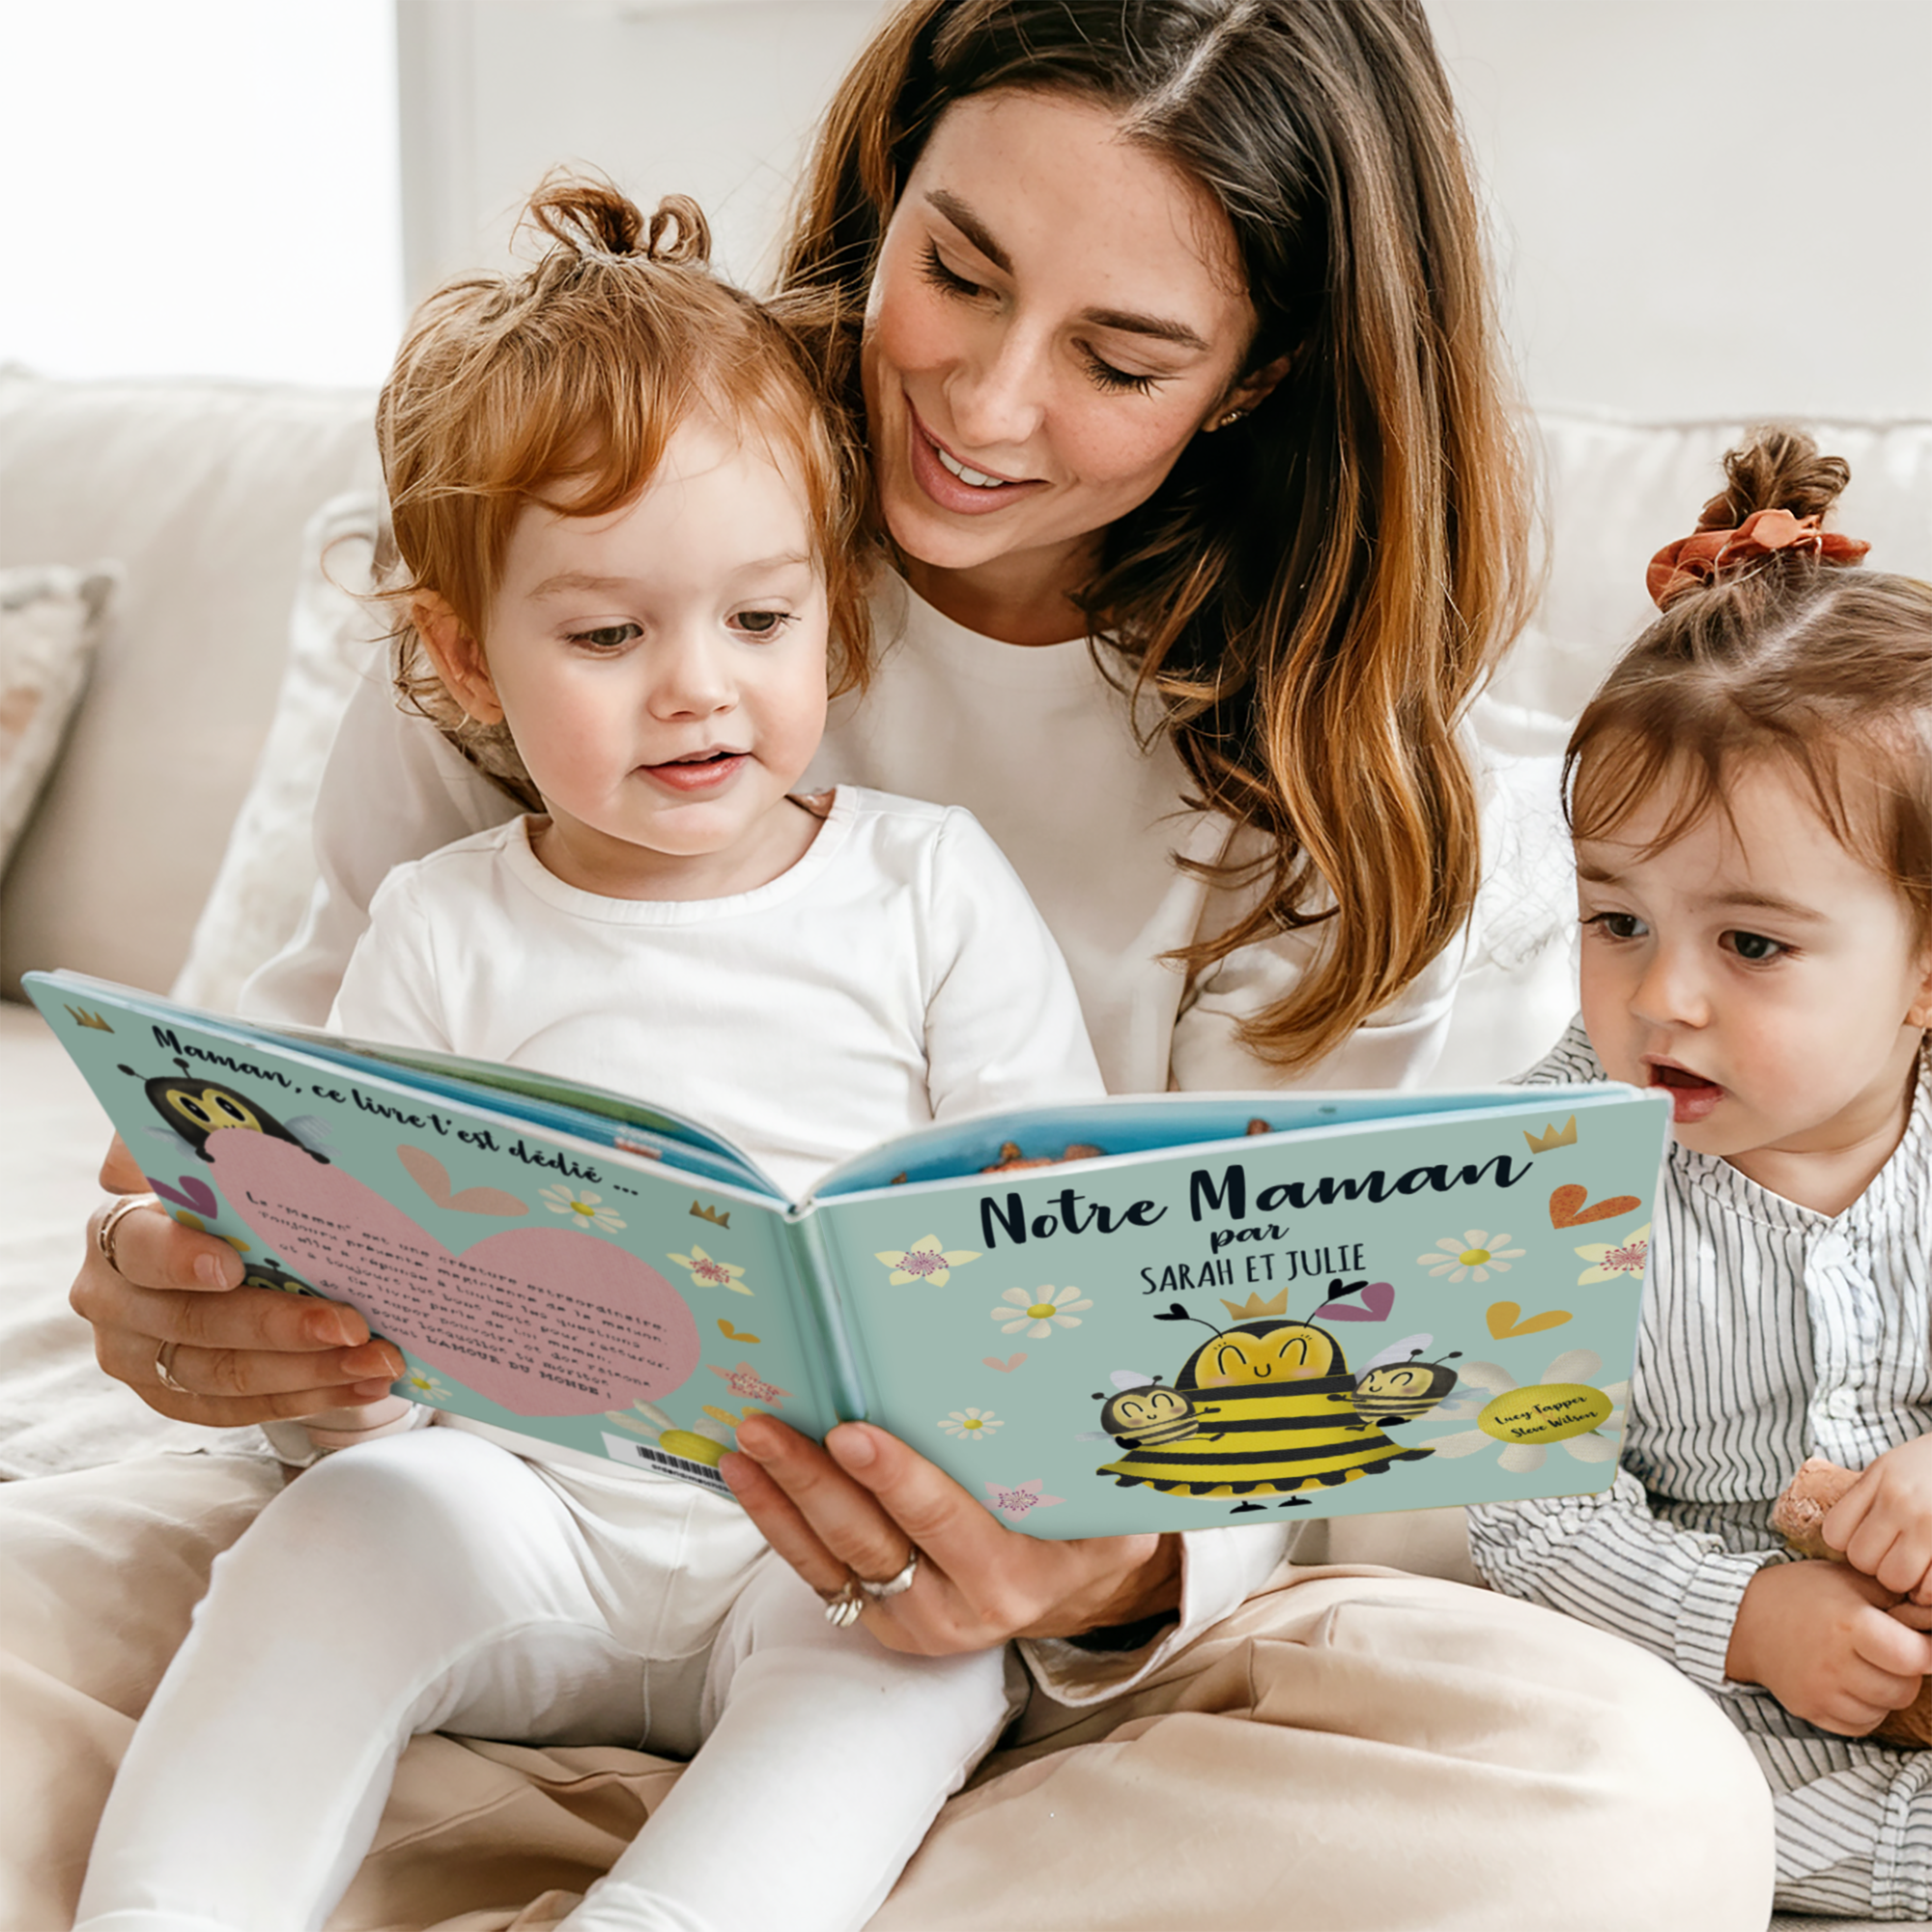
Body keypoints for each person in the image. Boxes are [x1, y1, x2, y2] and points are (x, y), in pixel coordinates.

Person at [20, 4, 1772, 1924]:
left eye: (1118, 355)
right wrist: (204, 1295)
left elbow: (1320, 1398)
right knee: (156, 1611)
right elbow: (290, 1122)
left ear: (1262, 371)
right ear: (886, 189)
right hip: (494, 1526)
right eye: (956, 268)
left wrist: (1091, 1571)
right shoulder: (572, 497)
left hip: (987, 1652)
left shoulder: (1345, 783)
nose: (987, 402)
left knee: (1631, 1800)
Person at [74, 177, 1107, 1932]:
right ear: (468, 662)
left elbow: (1053, 1234)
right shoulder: (437, 922)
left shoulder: (928, 885)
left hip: (832, 1534)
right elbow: (373, 1295)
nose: (698, 688)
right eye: (610, 636)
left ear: (829, 616)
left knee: (924, 1669)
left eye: (759, 622)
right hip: (518, 1498)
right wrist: (338, 1364)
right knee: (335, 1538)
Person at [1467, 427, 1932, 1918]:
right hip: (1711, 1710)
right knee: (1617, 1824)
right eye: (1616, 923)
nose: (1663, 999)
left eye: (1751, 945)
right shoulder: (1552, 1164)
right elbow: (1532, 1512)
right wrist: (1749, 1617)